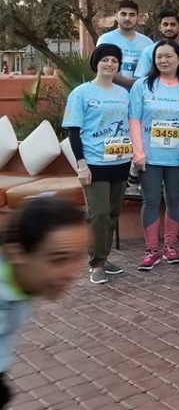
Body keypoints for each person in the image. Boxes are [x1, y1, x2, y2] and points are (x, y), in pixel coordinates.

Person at [0, 198, 89, 410]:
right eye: (58, 259)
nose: (73, 272)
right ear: (17, 253)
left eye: (78, 257)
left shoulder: (18, 282)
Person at [62, 44, 131, 284]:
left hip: (121, 162)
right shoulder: (81, 93)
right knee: (98, 214)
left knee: (112, 214)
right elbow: (73, 132)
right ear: (96, 62)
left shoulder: (124, 94)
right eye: (105, 59)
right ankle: (96, 264)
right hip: (94, 163)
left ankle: (104, 256)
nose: (110, 64)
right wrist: (81, 165)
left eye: (114, 60)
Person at [128, 39, 179, 270]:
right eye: (159, 57)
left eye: (168, 56)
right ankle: (151, 250)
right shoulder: (142, 86)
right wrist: (138, 153)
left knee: (175, 200)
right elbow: (134, 120)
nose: (163, 61)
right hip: (150, 156)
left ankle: (170, 246)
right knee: (150, 200)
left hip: (177, 157)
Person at [135, 8, 179, 85]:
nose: (169, 28)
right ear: (159, 27)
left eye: (173, 24)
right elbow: (141, 79)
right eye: (165, 24)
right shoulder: (149, 51)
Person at [96, 0, 153, 88]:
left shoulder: (147, 43)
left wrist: (139, 86)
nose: (127, 18)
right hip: (112, 94)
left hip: (140, 94)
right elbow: (103, 69)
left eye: (132, 15)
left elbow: (152, 69)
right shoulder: (106, 40)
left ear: (138, 17)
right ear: (116, 16)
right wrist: (132, 84)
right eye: (123, 14)